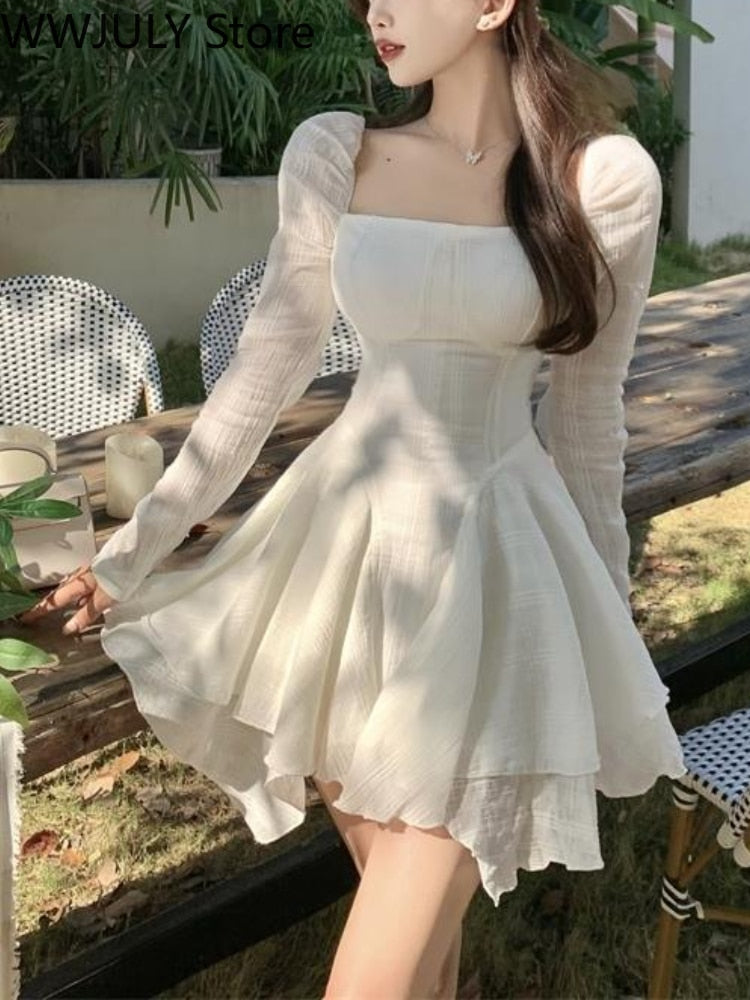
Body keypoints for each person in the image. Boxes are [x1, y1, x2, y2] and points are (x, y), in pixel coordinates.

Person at [18, 0, 687, 996]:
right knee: (419, 959)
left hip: (497, 579)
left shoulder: (605, 179)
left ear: (495, 5)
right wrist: (130, 554)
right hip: (335, 567)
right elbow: (262, 373)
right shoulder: (336, 153)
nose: (377, 10)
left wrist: (603, 617)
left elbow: (588, 419)